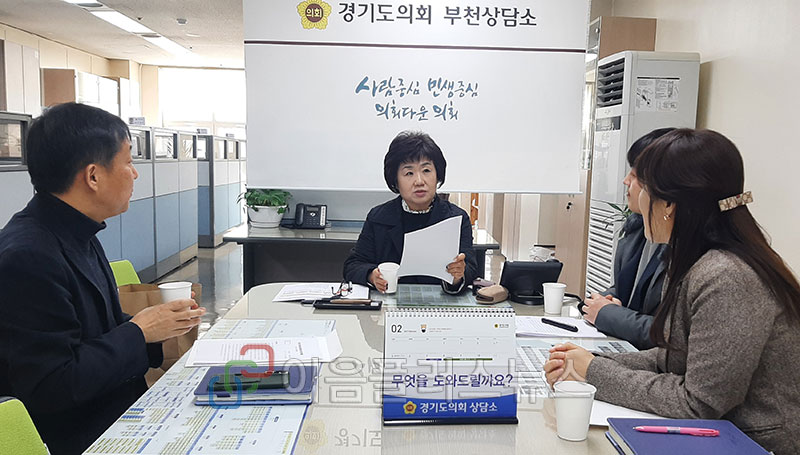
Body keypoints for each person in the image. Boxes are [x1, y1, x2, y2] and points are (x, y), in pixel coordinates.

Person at [544, 129, 800, 454]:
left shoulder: (728, 277)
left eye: (643, 186)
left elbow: (699, 404)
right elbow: (675, 359)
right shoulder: (697, 261)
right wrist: (589, 361)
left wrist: (594, 370)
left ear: (668, 204)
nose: (636, 197)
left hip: (756, 444)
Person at [0, 103, 206, 454]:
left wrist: (163, 329)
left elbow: (99, 329)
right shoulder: (27, 256)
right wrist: (140, 331)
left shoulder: (77, 231)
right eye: (128, 162)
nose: (135, 174)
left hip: (122, 412)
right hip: (87, 437)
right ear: (93, 176)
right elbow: (53, 385)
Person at [343, 131, 478, 294]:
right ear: (396, 180)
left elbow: (470, 269)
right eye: (409, 173)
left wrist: (457, 276)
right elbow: (353, 265)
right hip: (390, 305)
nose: (419, 181)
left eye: (426, 170)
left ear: (438, 175)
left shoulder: (456, 218)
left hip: (441, 305)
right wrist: (372, 275)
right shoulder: (378, 217)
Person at [581, 128, 673, 349]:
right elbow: (625, 291)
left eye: (635, 175)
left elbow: (670, 335)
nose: (625, 181)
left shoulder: (690, 251)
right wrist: (601, 302)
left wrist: (609, 314)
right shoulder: (636, 230)